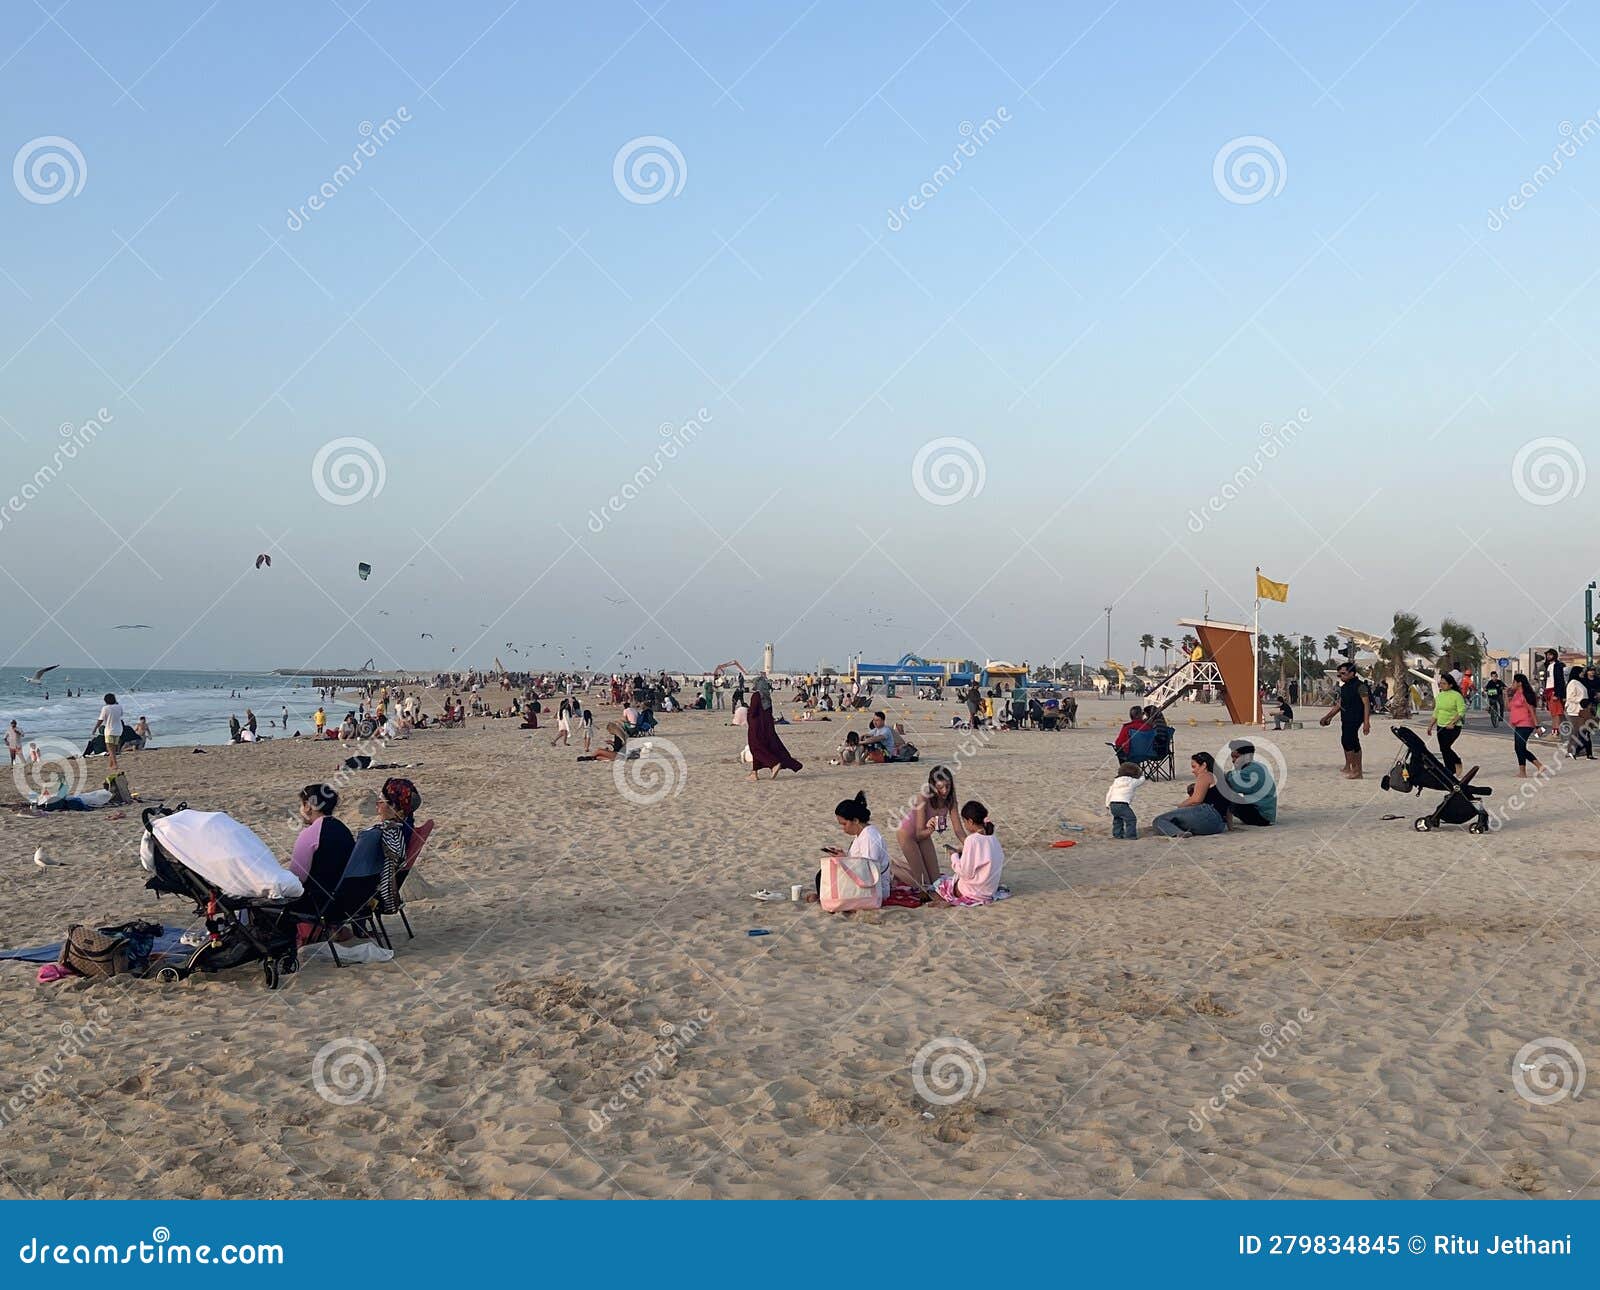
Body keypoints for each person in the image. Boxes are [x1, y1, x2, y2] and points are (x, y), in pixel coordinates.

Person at [817, 792, 890, 907]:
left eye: (844, 824)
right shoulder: (861, 834)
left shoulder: (870, 837)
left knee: (824, 877)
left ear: (855, 821)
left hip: (874, 888)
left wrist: (844, 860)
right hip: (864, 880)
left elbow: (869, 871)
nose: (843, 829)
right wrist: (844, 857)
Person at [895, 766, 964, 886]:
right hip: (908, 834)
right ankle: (892, 868)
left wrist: (972, 843)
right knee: (923, 884)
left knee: (936, 882)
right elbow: (919, 833)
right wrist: (932, 828)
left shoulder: (951, 800)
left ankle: (902, 865)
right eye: (940, 787)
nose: (944, 791)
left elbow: (958, 829)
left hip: (924, 835)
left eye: (947, 786)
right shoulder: (923, 798)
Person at [932, 800, 1005, 906]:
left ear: (970, 821)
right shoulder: (993, 839)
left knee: (937, 884)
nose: (965, 825)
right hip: (989, 891)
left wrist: (954, 856)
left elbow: (965, 872)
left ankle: (945, 899)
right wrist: (963, 851)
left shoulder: (971, 840)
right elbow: (984, 855)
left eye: (964, 822)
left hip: (972, 892)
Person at [1152, 753, 1230, 837]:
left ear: (1204, 765)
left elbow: (1196, 799)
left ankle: (1178, 833)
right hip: (1219, 826)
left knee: (1159, 820)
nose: (1193, 771)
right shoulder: (1221, 778)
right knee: (1178, 820)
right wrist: (1230, 827)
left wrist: (1180, 806)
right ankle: (1180, 830)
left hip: (1208, 815)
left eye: (1194, 766)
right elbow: (1229, 807)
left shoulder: (1205, 775)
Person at [1319, 662, 1371, 779]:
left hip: (1356, 718)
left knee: (1350, 741)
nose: (1340, 676)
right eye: (1339, 675)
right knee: (1347, 741)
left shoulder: (1361, 686)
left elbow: (1366, 704)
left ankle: (1357, 771)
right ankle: (1351, 768)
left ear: (1352, 673)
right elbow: (1339, 705)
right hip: (1346, 718)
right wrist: (1328, 717)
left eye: (1343, 674)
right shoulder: (1344, 687)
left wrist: (1366, 722)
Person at [745, 690, 802, 780]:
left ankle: (774, 764)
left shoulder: (756, 695)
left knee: (756, 748)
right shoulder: (767, 697)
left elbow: (753, 711)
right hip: (767, 727)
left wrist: (749, 716)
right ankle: (754, 773)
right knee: (763, 747)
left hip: (756, 727)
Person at [1221, 740, 1277, 826]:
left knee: (1223, 790)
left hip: (1261, 817)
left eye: (1236, 757)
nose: (1233, 760)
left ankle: (1220, 818)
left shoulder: (1250, 771)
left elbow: (1231, 782)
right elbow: (1232, 775)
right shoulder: (1258, 766)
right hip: (1267, 814)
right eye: (1232, 757)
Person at [1427, 673, 1467, 777]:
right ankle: (1449, 769)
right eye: (1441, 683)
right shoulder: (1440, 696)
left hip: (1454, 726)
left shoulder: (1456, 695)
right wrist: (1430, 725)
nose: (1441, 685)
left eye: (1444, 684)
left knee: (1446, 747)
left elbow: (1461, 711)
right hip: (1441, 725)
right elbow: (1436, 712)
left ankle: (1456, 762)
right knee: (1443, 749)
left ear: (1450, 685)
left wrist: (1452, 722)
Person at [1508, 672, 1545, 778]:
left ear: (1519, 683)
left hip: (1526, 724)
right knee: (1519, 748)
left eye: (1514, 682)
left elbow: (1532, 711)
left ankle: (1537, 766)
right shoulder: (1516, 694)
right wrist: (1507, 695)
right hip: (1518, 724)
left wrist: (1537, 726)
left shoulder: (1526, 694)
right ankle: (1524, 771)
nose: (1512, 684)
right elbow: (1508, 707)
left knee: (1520, 747)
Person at [1105, 760, 1144, 839]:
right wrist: (1142, 774)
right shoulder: (1132, 782)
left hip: (1113, 803)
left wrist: (1107, 803)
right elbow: (1141, 780)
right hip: (1123, 804)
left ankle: (1117, 834)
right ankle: (1130, 836)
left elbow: (1110, 792)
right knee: (1131, 819)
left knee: (1118, 819)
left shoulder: (1116, 781)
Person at [1566, 665, 1595, 760]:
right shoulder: (1572, 683)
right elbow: (1570, 697)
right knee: (1575, 732)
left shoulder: (1580, 682)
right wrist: (1582, 700)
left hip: (1582, 711)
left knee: (1582, 731)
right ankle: (1571, 751)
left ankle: (1582, 751)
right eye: (1581, 672)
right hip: (1574, 711)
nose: (1583, 673)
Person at [96, 692, 124, 771]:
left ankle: (115, 764)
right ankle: (111, 764)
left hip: (109, 730)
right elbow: (121, 715)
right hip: (118, 729)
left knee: (110, 748)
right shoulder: (119, 707)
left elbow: (100, 720)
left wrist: (95, 728)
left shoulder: (105, 708)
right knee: (113, 748)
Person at [1542, 649, 1567, 733]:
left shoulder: (1558, 665)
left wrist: (1558, 693)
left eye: (1550, 655)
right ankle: (1555, 729)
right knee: (1553, 712)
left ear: (1554, 655)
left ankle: (1556, 730)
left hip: (1554, 690)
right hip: (1548, 690)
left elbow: (1560, 680)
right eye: (1547, 655)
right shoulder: (1548, 665)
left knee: (1557, 712)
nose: (1548, 656)